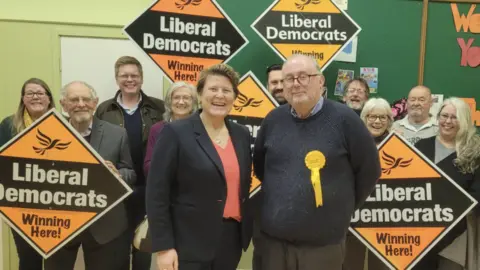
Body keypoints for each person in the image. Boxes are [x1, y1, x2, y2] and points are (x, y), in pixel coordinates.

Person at [253, 54, 381, 270]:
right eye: (289, 78)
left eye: (303, 76)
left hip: (323, 247)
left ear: (321, 82)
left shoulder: (347, 120)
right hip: (272, 244)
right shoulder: (273, 119)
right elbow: (261, 168)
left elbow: (369, 171)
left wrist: (339, 208)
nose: (296, 84)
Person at [146, 63, 253, 270]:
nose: (219, 95)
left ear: (234, 97)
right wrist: (164, 247)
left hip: (230, 240)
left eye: (226, 90)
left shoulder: (241, 134)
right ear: (200, 94)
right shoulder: (175, 132)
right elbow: (157, 193)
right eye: (213, 89)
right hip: (187, 242)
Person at [43, 81, 135, 269]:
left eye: (86, 99)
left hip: (105, 225)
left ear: (95, 103)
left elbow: (130, 172)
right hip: (59, 225)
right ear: (63, 104)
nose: (80, 104)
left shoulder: (117, 134)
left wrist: (118, 174)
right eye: (74, 99)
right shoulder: (48, 134)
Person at [94, 56, 165, 270]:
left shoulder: (158, 108)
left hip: (148, 188)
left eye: (134, 75)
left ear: (141, 78)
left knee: (143, 247)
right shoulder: (104, 110)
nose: (130, 79)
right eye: (124, 75)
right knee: (117, 248)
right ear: (117, 79)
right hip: (116, 189)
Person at [413, 97, 480, 270]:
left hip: (455, 234)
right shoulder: (422, 146)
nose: (447, 121)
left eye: (454, 117)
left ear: (464, 120)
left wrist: (448, 208)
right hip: (420, 231)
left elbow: (477, 193)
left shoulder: (474, 152)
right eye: (444, 116)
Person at [0, 78, 55, 270]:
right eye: (30, 93)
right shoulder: (8, 125)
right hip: (21, 204)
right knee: (27, 257)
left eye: (40, 93)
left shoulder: (62, 124)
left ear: (49, 99)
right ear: (23, 99)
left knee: (56, 259)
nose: (35, 97)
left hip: (56, 202)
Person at [343, 98, 394, 270]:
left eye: (383, 117)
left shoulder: (399, 146)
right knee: (351, 262)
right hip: (355, 216)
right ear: (364, 118)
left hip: (386, 219)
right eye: (372, 117)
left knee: (381, 265)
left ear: (389, 120)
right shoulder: (351, 142)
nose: (377, 121)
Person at [144, 81, 198, 177]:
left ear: (193, 102)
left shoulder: (201, 128)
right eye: (176, 97)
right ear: (169, 102)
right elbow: (148, 167)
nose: (181, 102)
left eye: (186, 98)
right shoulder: (157, 129)